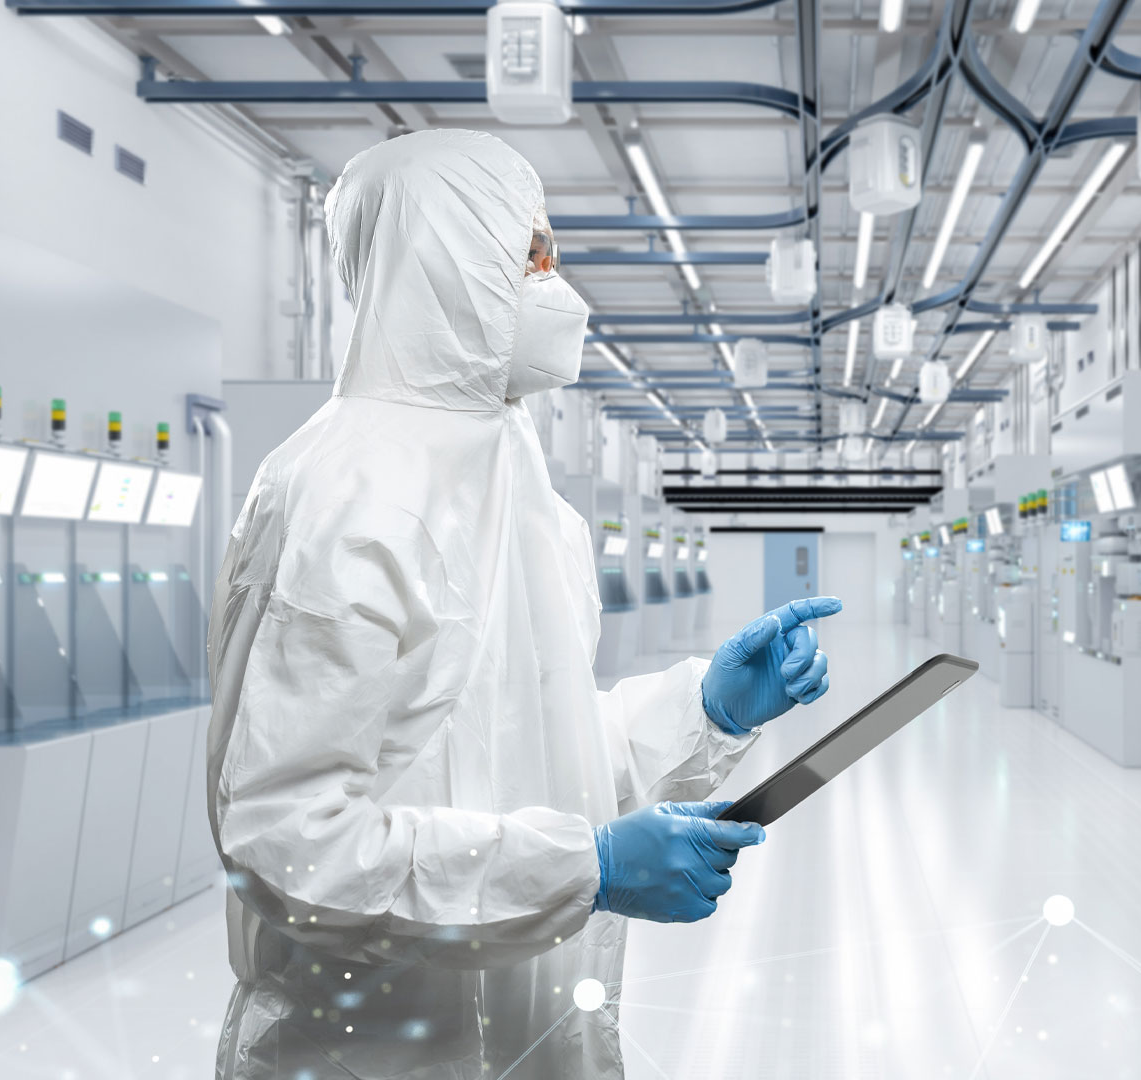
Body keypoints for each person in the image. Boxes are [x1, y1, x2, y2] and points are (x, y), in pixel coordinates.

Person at [205, 128, 838, 1080]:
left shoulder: (520, 481)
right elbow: (288, 843)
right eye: (531, 254)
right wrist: (585, 869)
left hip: (533, 1036)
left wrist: (706, 709)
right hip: (372, 1055)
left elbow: (536, 749)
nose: (557, 284)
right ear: (446, 260)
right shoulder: (349, 494)